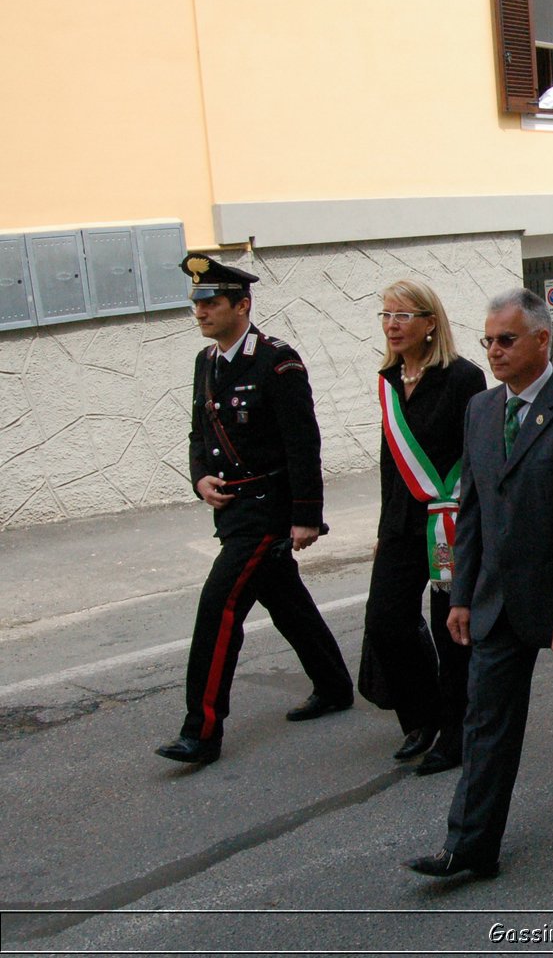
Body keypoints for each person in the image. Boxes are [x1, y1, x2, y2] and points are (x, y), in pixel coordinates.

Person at [407, 288, 553, 881]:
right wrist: (460, 596)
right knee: (486, 721)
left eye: (506, 340)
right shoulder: (482, 411)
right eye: (487, 341)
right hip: (499, 601)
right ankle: (471, 846)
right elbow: (475, 509)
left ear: (542, 339)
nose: (494, 352)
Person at [155, 253, 352, 768]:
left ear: (242, 305)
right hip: (233, 511)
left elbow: (302, 443)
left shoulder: (276, 362)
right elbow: (200, 433)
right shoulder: (207, 363)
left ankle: (201, 730)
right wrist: (200, 478)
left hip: (266, 511)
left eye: (211, 303)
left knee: (218, 607)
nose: (200, 313)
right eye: (196, 304)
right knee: (284, 598)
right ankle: (333, 685)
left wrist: (307, 515)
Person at [363, 279, 485, 777]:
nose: (392, 324)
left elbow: (477, 456)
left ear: (430, 324)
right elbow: (391, 462)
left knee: (450, 628)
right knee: (386, 621)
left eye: (404, 315)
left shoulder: (463, 379)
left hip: (449, 524)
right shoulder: (390, 381)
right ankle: (421, 716)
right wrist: (383, 524)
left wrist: (476, 522)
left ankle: (455, 735)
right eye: (386, 315)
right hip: (400, 523)